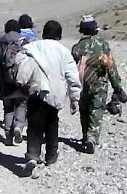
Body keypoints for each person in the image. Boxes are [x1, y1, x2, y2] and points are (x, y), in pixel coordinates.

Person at [15, 19, 81, 179]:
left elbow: (19, 60)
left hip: (36, 91)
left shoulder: (32, 47)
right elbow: (72, 75)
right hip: (55, 93)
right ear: (59, 35)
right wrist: (75, 98)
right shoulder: (64, 51)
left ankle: (32, 155)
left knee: (34, 123)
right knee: (52, 123)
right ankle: (51, 156)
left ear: (44, 33)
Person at [70, 15, 127, 153]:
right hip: (99, 84)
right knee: (96, 111)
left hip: (82, 84)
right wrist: (117, 86)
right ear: (95, 30)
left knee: (84, 111)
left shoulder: (76, 48)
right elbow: (110, 67)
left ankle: (85, 136)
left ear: (82, 30)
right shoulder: (103, 45)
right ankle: (92, 138)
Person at [0, 19, 27, 145]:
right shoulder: (23, 40)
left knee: (8, 108)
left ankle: (8, 135)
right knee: (21, 104)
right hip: (22, 80)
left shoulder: (0, 42)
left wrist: (4, 71)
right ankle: (18, 127)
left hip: (5, 81)